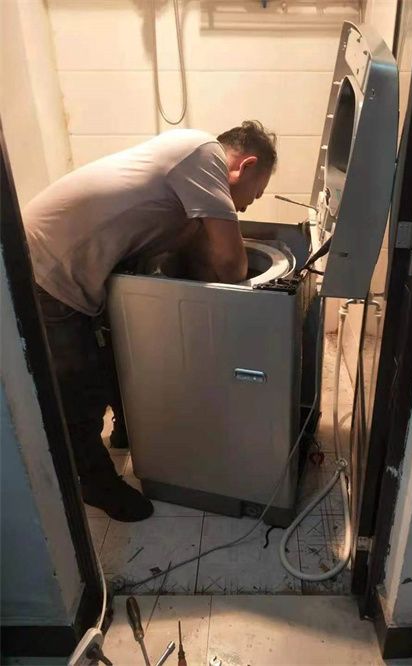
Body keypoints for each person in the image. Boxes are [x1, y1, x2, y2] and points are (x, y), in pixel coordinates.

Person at [22, 120, 277, 522]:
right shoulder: (203, 154)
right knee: (78, 386)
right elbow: (230, 265)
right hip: (48, 267)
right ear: (245, 166)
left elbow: (197, 255)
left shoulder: (187, 181)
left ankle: (127, 430)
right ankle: (94, 482)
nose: (246, 207)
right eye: (254, 194)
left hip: (64, 261)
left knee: (111, 357)